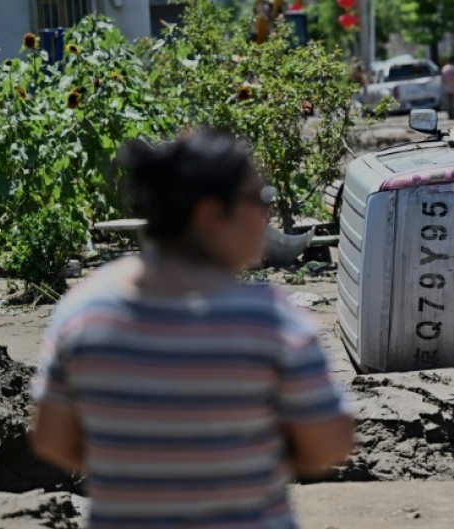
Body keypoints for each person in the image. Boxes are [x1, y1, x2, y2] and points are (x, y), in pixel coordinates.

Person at [29, 130, 354, 529]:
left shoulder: (84, 310)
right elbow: (328, 446)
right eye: (259, 200)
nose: (266, 215)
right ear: (209, 215)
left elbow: (50, 439)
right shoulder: (267, 319)